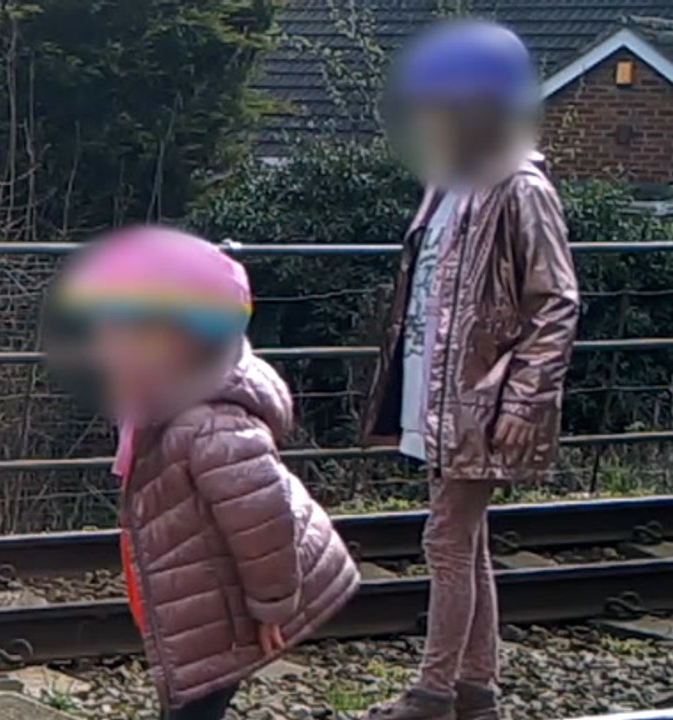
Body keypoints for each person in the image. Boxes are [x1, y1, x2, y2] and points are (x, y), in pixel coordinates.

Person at [361, 21, 580, 720]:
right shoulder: (446, 185)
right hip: (438, 395)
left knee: (446, 538)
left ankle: (433, 691)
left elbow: (556, 301)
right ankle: (476, 690)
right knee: (465, 540)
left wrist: (524, 401)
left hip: (480, 399)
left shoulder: (521, 187)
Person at [50, 227, 360, 720]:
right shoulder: (159, 403)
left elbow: (263, 517)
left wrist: (274, 606)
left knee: (195, 708)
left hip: (224, 607)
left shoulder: (212, 423)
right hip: (194, 597)